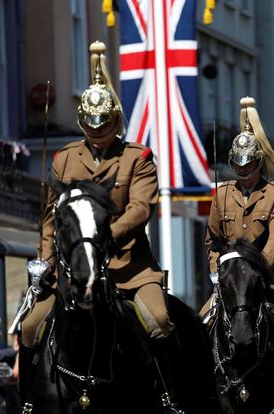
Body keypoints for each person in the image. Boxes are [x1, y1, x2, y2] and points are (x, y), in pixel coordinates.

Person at [17, 41, 170, 348]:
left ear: (116, 119)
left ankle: (167, 395)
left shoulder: (137, 158)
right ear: (80, 121)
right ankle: (31, 398)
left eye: (104, 122)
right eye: (90, 122)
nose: (97, 129)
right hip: (72, 268)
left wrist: (103, 237)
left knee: (160, 321)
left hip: (128, 266)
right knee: (31, 328)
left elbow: (141, 208)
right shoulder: (65, 159)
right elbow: (50, 219)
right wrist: (44, 263)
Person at [202, 96, 274, 335]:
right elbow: (212, 242)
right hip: (229, 283)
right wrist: (218, 273)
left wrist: (255, 270)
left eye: (248, 163)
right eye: (238, 164)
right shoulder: (221, 194)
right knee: (199, 329)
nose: (243, 169)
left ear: (259, 161)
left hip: (270, 281)